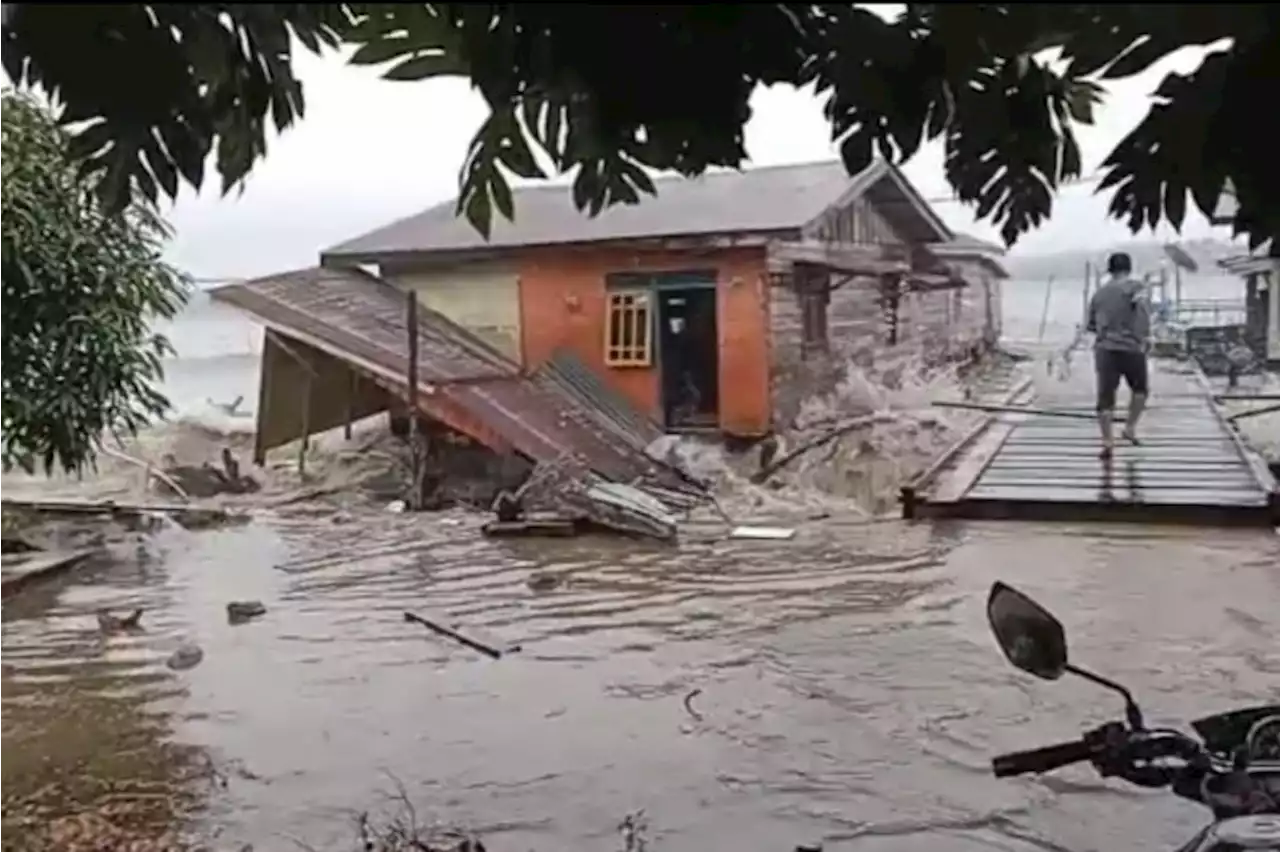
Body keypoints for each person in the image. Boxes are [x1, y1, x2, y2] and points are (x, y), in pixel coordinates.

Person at [1086, 252, 1150, 460]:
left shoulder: (1099, 294)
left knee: (1105, 396)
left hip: (1105, 349)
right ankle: (1129, 427)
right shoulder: (1136, 287)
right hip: (1132, 348)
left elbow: (1091, 325)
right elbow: (1143, 311)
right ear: (1129, 269)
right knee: (1140, 391)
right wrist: (1144, 336)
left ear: (1110, 270)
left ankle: (1107, 441)